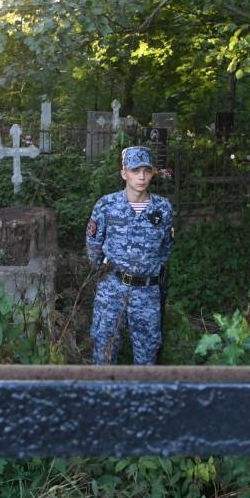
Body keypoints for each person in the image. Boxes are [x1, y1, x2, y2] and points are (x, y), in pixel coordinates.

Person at [86, 145, 174, 364]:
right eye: (135, 170)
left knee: (147, 355)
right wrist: (105, 270)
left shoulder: (163, 208)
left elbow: (166, 248)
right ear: (124, 173)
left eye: (147, 170)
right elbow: (93, 245)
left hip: (147, 292)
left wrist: (146, 269)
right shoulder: (107, 205)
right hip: (112, 289)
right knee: (104, 351)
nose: (141, 177)